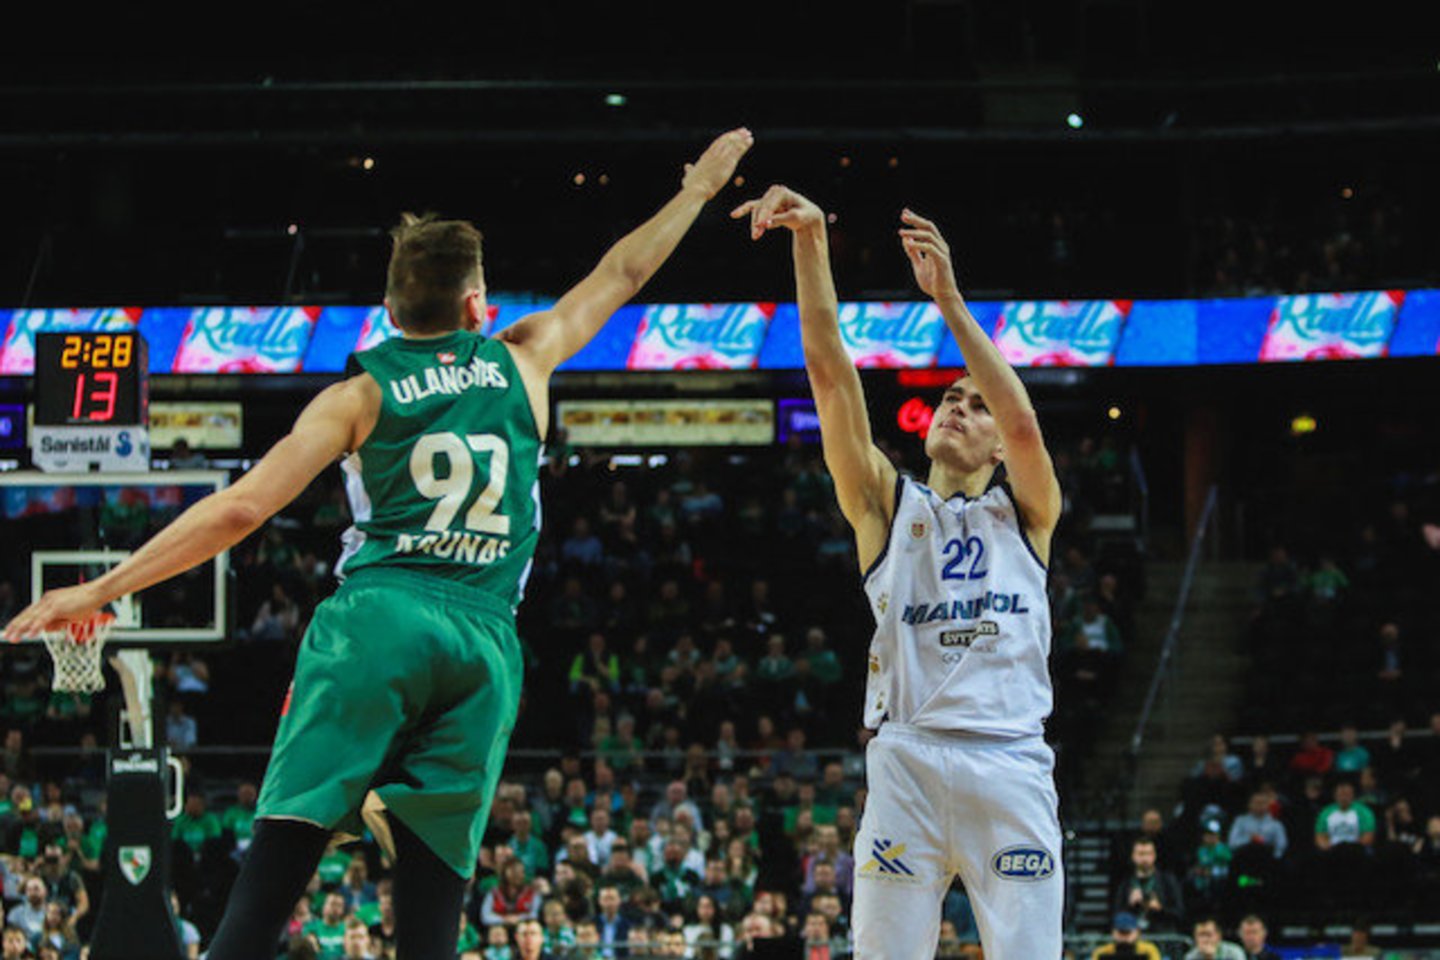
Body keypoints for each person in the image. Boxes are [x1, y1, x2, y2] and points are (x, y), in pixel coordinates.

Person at [3, 128, 754, 960]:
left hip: (379, 621)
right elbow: (623, 273)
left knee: (266, 892)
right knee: (431, 923)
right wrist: (697, 191)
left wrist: (101, 588)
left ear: (391, 313)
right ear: (479, 306)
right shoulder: (525, 358)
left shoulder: (357, 395)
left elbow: (241, 508)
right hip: (485, 640)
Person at [733, 186, 1063, 959]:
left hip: (1009, 759)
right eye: (950, 397)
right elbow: (829, 378)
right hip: (907, 762)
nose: (957, 407)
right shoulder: (887, 507)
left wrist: (947, 300)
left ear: (997, 447)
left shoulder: (1029, 512)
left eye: (975, 405)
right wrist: (810, 242)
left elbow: (1023, 421)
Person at [1090, 912, 1161, 960]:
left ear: (1137, 932)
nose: (1124, 936)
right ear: (1113, 933)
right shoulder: (1102, 952)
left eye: (1128, 932)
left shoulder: (1148, 950)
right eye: (1121, 932)